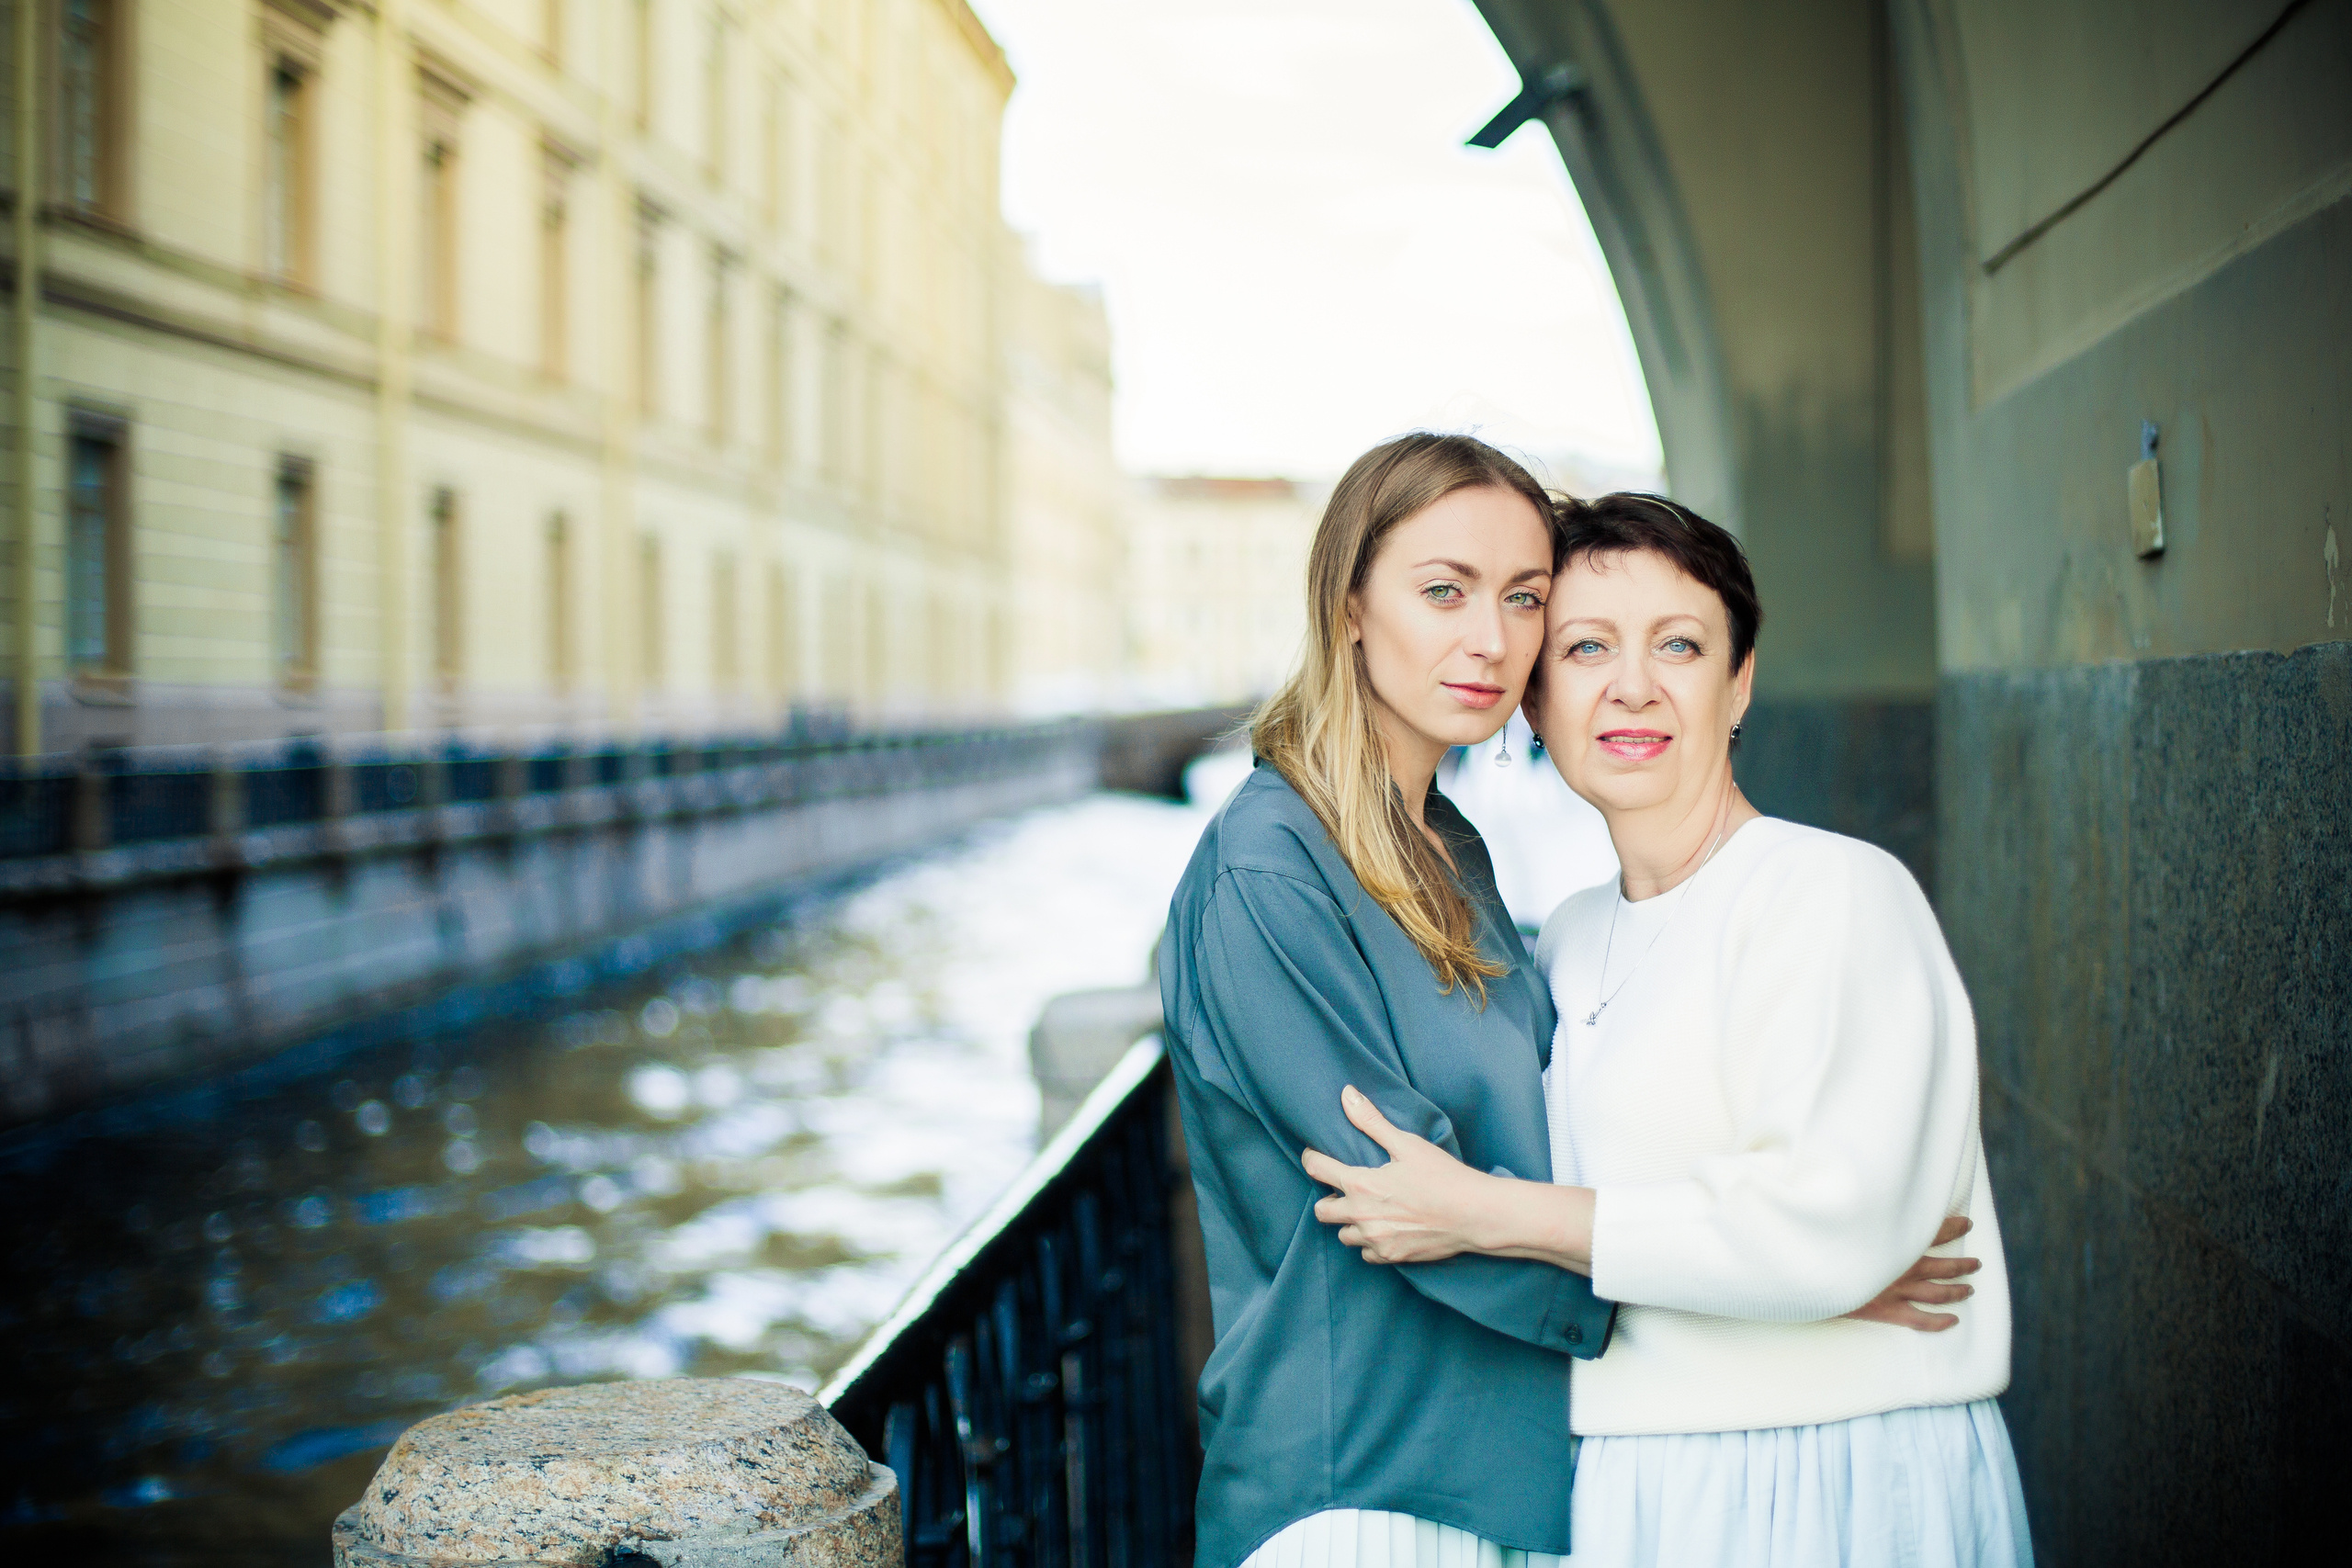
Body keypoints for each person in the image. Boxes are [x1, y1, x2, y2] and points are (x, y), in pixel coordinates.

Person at [1159, 442, 1973, 1568]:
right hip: (1362, 1476)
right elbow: (1406, 1205)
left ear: (1737, 681)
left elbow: (1500, 1185)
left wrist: (1792, 1268)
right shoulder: (1269, 868)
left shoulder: (1450, 850)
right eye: (1443, 590)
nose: (1490, 639)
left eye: (1525, 600)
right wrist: (1779, 1297)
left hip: (1513, 1479)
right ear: (1349, 604)